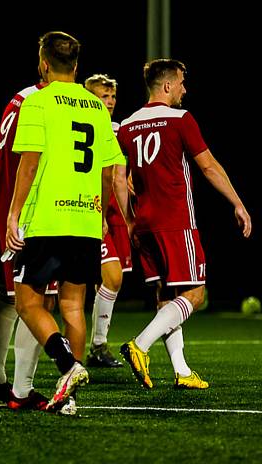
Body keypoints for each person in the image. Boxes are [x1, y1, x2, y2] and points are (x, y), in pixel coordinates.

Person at [5, 31, 125, 412]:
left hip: (48, 218)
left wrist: (13, 212)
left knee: (28, 303)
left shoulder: (38, 102)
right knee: (73, 305)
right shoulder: (96, 107)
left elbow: (30, 161)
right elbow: (108, 171)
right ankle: (68, 396)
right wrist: (101, 213)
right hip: (86, 218)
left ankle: (67, 366)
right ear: (76, 65)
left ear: (43, 63)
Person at [118, 59, 252, 390]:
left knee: (168, 296)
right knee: (195, 294)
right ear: (166, 86)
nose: (184, 89)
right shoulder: (180, 119)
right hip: (176, 222)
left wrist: (129, 222)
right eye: (180, 83)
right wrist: (237, 202)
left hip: (144, 223)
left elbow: (119, 179)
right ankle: (140, 344)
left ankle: (181, 371)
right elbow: (208, 166)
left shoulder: (128, 124)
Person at [0, 81, 58, 409]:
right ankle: (22, 389)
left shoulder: (18, 98)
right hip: (27, 212)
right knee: (37, 299)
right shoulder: (44, 102)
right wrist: (16, 211)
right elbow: (32, 159)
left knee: (9, 296)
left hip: (4, 208)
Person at [83, 74, 129, 368]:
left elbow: (120, 177)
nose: (109, 103)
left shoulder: (116, 129)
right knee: (105, 277)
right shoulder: (83, 126)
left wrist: (128, 218)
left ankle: (96, 345)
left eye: (112, 97)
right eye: (103, 97)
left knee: (111, 278)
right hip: (85, 209)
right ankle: (91, 345)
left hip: (110, 215)